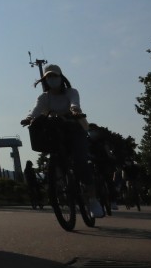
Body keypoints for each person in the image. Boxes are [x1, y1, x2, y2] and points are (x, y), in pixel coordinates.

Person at [20, 64, 105, 218]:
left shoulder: (71, 92)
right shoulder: (44, 97)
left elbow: (74, 103)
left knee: (80, 161)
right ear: (44, 80)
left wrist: (75, 110)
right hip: (55, 130)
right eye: (48, 77)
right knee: (54, 159)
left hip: (75, 128)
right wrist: (29, 118)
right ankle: (60, 183)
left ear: (61, 77)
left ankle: (93, 200)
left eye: (55, 76)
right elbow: (36, 109)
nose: (52, 80)